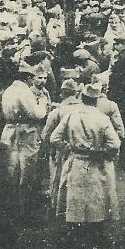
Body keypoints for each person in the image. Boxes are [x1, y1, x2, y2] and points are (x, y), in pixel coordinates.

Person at [48, 83, 122, 249]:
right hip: (95, 164)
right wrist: (100, 152)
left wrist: (69, 148)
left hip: (76, 161)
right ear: (96, 101)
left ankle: (77, 236)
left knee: (76, 199)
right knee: (96, 198)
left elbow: (54, 138)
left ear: (82, 98)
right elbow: (115, 144)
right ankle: (96, 234)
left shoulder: (71, 115)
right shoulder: (102, 118)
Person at [0, 61, 50, 218]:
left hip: (9, 130)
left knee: (11, 168)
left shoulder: (8, 91)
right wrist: (42, 105)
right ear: (28, 78)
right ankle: (24, 211)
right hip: (25, 132)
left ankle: (11, 207)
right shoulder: (24, 92)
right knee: (26, 170)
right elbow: (36, 114)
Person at [41, 76, 82, 215]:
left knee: (58, 179)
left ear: (62, 93)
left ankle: (57, 207)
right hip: (80, 150)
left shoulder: (57, 111)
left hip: (61, 150)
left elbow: (46, 135)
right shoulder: (84, 110)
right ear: (76, 93)